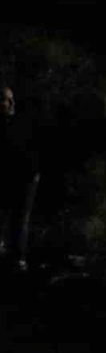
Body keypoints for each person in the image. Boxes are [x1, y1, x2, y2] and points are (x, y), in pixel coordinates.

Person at [0, 84, 39, 272]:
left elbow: (34, 147)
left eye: (11, 98)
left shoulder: (21, 121)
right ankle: (13, 257)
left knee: (21, 219)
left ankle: (18, 260)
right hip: (11, 177)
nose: (11, 103)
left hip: (26, 178)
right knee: (13, 218)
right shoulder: (9, 124)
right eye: (6, 99)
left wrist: (36, 172)